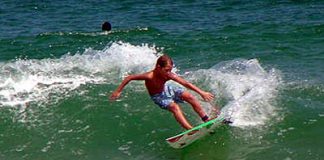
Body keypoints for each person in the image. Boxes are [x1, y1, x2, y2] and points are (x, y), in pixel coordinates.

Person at [110, 54, 216, 130]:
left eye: (170, 70)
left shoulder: (168, 74)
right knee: (174, 107)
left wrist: (202, 92)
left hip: (168, 88)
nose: (169, 73)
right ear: (158, 67)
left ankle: (205, 119)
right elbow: (129, 77)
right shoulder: (149, 76)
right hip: (158, 96)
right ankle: (190, 129)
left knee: (190, 97)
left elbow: (185, 83)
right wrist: (118, 91)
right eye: (166, 70)